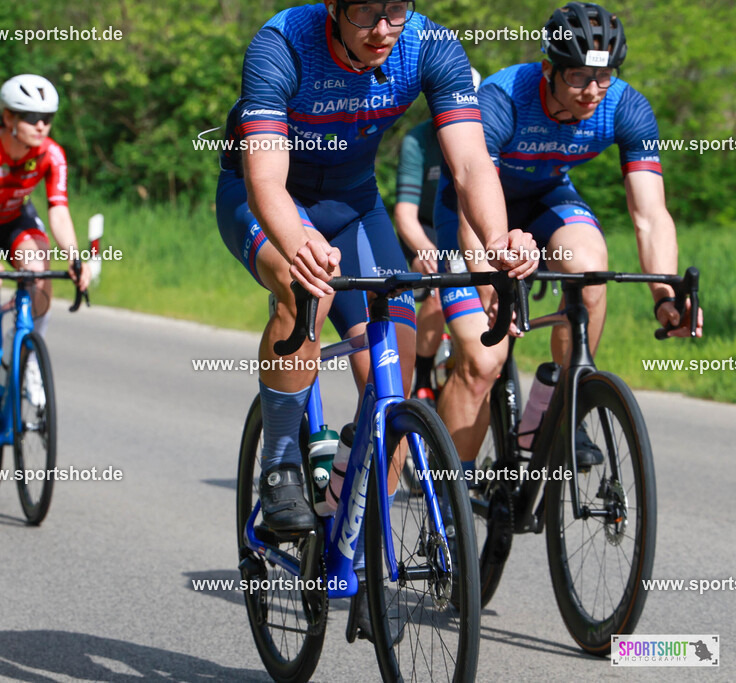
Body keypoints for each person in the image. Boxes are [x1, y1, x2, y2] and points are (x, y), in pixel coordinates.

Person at [216, 0, 537, 536]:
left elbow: (469, 163)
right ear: (334, 7)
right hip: (265, 196)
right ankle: (278, 464)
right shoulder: (284, 42)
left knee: (392, 379)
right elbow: (266, 178)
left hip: (355, 205)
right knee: (304, 290)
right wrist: (298, 241)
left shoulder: (429, 45)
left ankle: (348, 511)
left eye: (396, 10)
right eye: (366, 12)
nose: (383, 29)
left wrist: (497, 240)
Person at [432, 2, 702, 473]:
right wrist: (486, 281)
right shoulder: (503, 98)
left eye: (604, 76)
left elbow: (650, 214)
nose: (593, 91)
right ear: (548, 69)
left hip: (543, 198)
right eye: (578, 76)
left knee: (590, 264)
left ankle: (561, 400)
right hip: (471, 211)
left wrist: (665, 293)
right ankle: (454, 498)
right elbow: (473, 189)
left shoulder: (625, 105)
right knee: (482, 361)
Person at [0, 74, 91, 480]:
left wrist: (75, 257)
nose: (41, 125)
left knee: (39, 264)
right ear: (8, 116)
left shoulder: (51, 154)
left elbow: (57, 209)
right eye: (31, 116)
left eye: (47, 117)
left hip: (13, 222)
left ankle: (28, 350)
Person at [393, 67, 482, 406]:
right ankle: (424, 377)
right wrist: (426, 249)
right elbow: (405, 213)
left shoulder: (486, 131)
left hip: (467, 224)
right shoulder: (419, 139)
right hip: (426, 227)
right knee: (436, 284)